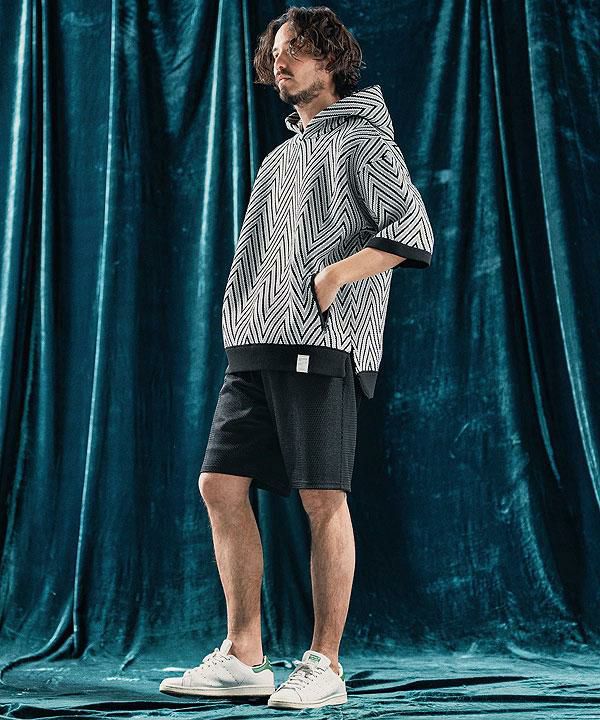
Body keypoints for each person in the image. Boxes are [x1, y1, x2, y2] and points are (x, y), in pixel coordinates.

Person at [160, 5, 434, 711]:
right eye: (276, 51)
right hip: (255, 345)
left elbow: (413, 231)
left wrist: (335, 277)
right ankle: (245, 656)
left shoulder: (365, 141)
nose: (281, 62)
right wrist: (240, 313)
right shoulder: (280, 156)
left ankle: (325, 665)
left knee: (323, 497)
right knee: (220, 485)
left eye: (297, 50)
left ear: (332, 59)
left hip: (322, 343)